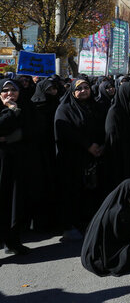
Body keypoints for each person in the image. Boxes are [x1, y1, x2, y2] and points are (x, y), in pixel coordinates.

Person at [55, 79, 106, 242]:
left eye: (86, 88)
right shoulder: (65, 109)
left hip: (95, 156)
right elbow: (66, 132)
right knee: (73, 192)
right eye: (79, 89)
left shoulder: (95, 106)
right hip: (73, 159)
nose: (84, 91)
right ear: (72, 92)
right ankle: (72, 226)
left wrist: (101, 145)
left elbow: (102, 127)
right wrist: (87, 145)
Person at [27, 79, 60, 232]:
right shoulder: (34, 107)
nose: (53, 92)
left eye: (54, 89)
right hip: (38, 154)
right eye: (49, 90)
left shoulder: (57, 105)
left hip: (53, 152)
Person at [0, 79, 29, 255]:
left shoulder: (26, 107)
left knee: (16, 201)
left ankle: (13, 241)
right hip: (2, 163)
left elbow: (31, 129)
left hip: (19, 161)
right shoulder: (11, 109)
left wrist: (9, 138)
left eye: (14, 90)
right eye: (5, 90)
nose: (10, 94)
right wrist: (11, 110)